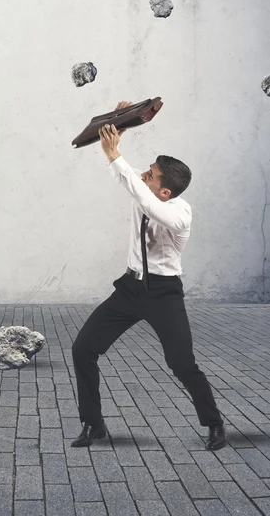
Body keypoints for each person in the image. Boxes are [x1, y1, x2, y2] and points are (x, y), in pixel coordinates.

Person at [71, 100, 226, 451]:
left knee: (182, 364)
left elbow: (146, 199)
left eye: (150, 175)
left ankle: (214, 424)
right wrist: (118, 128)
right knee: (83, 349)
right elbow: (126, 178)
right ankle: (93, 425)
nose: (143, 174)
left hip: (163, 294)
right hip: (129, 289)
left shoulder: (180, 213)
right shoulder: (144, 192)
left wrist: (117, 158)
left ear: (165, 191)